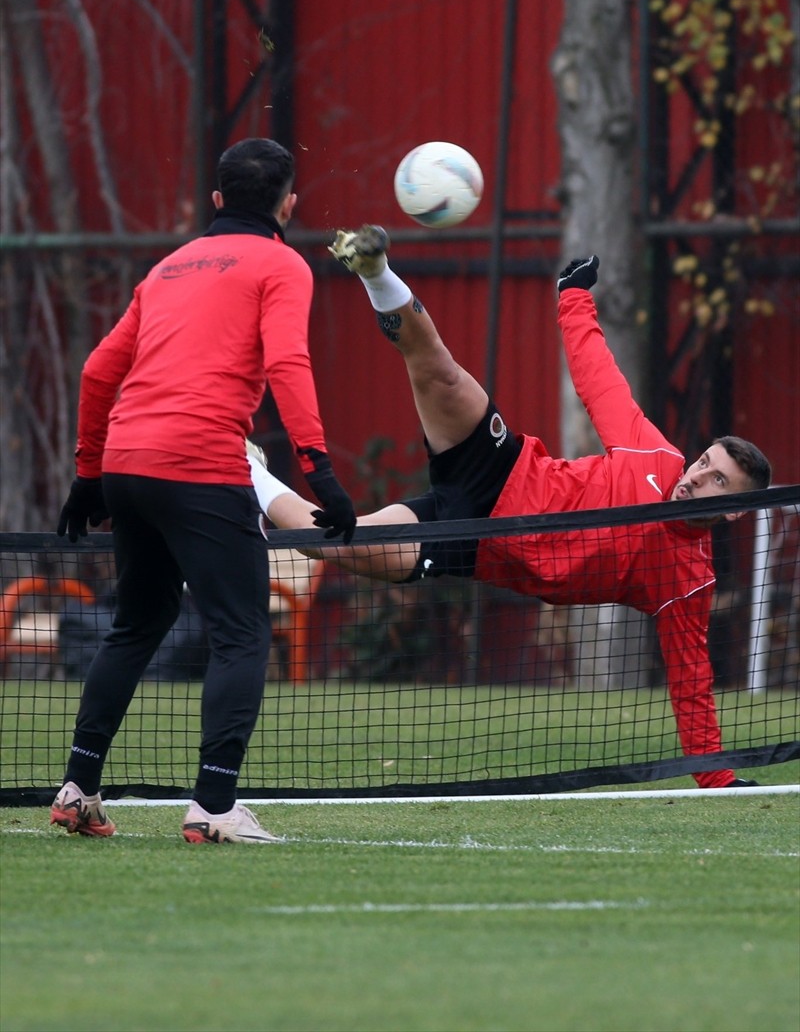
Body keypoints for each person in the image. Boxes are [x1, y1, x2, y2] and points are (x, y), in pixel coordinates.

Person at [249, 225, 773, 789]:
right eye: (703, 463)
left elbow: (690, 678)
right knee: (440, 370)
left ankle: (243, 468)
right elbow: (600, 381)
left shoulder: (689, 582)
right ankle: (375, 269)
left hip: (472, 542)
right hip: (503, 466)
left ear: (736, 509)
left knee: (332, 542)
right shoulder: (654, 454)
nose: (697, 477)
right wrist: (573, 297)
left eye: (718, 480)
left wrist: (715, 776)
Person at [52, 138, 356, 844]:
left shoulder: (167, 267)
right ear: (289, 205)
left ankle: (79, 787)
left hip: (127, 462)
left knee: (136, 623)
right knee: (243, 632)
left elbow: (99, 371)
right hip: (198, 464)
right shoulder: (282, 262)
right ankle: (214, 807)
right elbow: (286, 361)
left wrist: (88, 475)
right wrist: (323, 475)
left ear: (216, 200)